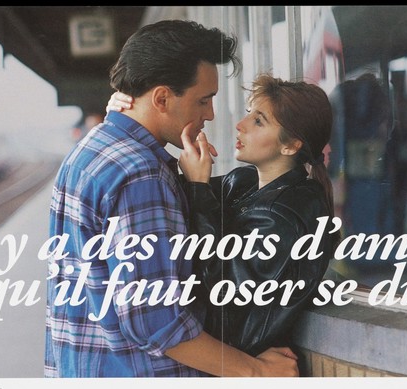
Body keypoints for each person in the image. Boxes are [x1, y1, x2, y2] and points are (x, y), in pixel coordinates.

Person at [45, 20, 299, 378]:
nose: (210, 114)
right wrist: (255, 371)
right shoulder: (139, 175)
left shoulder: (91, 149)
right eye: (204, 100)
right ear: (162, 98)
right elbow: (154, 321)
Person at [108, 74, 340, 366]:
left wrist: (199, 187)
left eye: (258, 121)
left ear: (290, 145)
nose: (240, 125)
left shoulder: (287, 214)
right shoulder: (244, 183)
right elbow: (170, 201)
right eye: (248, 115)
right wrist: (128, 118)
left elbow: (222, 286)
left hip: (237, 363)